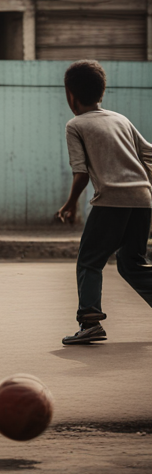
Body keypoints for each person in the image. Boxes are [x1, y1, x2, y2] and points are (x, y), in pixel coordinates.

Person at [57, 60, 152, 345]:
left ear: (70, 95)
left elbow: (81, 173)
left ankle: (89, 321)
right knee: (130, 262)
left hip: (111, 200)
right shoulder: (120, 119)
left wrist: (70, 203)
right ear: (102, 92)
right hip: (143, 199)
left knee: (89, 260)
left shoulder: (76, 125)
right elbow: (149, 154)